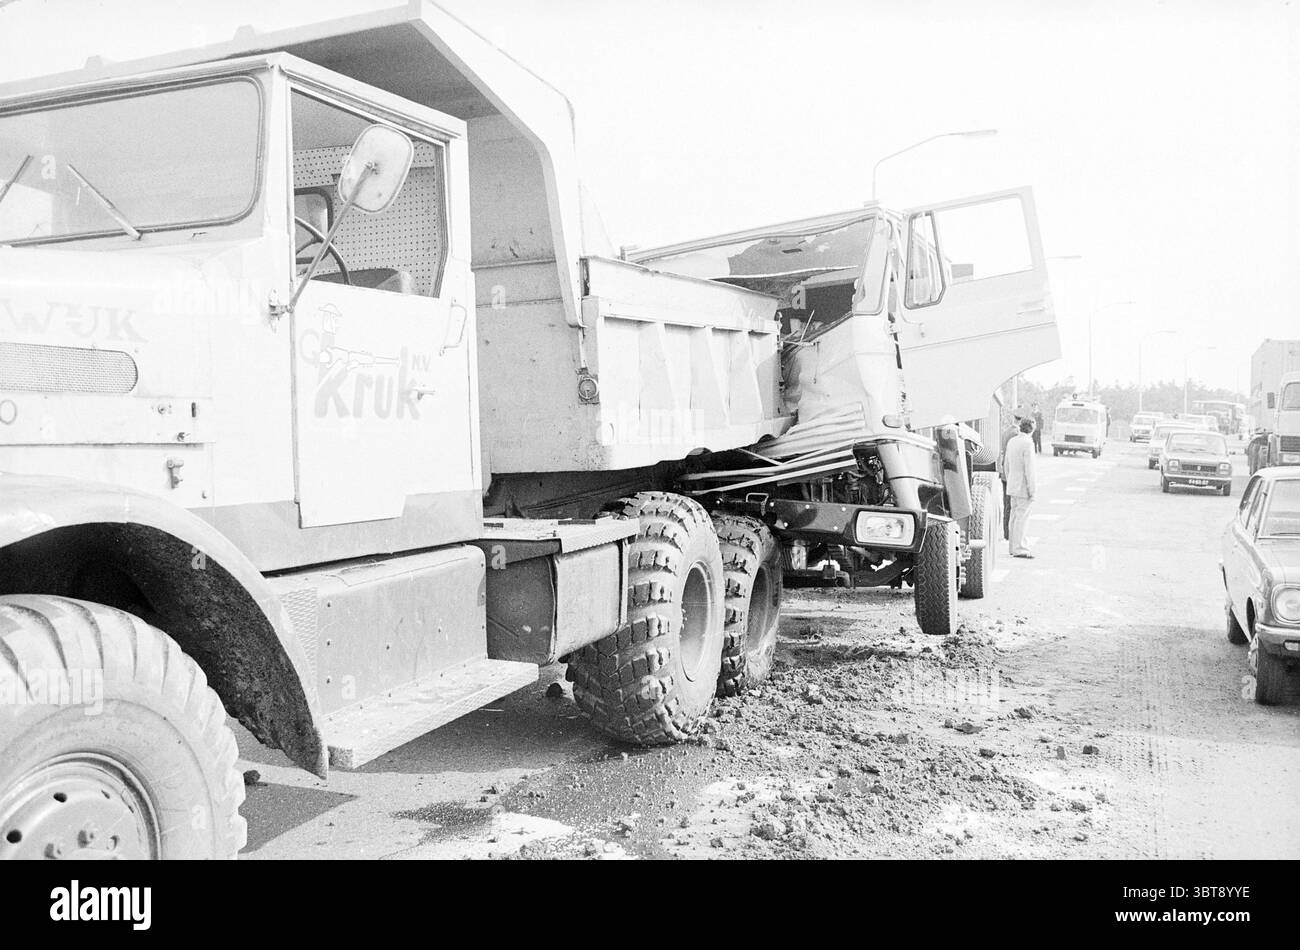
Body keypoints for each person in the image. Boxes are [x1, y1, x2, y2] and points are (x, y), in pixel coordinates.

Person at [1006, 417, 1037, 559]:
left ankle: (1012, 547)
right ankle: (1020, 548)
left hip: (1012, 484)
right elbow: (1029, 469)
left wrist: (1009, 479)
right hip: (1023, 486)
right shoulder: (1028, 443)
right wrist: (1032, 490)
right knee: (1022, 518)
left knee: (1014, 517)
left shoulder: (1012, 441)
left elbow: (1006, 464)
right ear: (1032, 429)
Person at [997, 408, 1025, 540]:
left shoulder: (1006, 432)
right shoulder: (1016, 434)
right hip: (1012, 472)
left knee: (1006, 503)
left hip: (1004, 471)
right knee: (1012, 504)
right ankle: (1010, 533)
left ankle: (1006, 532)